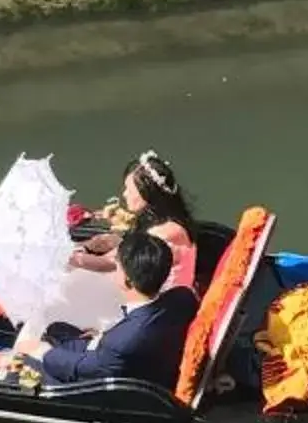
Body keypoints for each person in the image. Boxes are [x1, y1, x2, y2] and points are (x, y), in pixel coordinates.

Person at [38, 226, 198, 388]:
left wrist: (41, 353)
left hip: (112, 385)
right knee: (56, 329)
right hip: (128, 355)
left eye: (118, 266)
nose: (115, 269)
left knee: (27, 358)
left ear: (127, 280)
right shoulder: (183, 297)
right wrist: (103, 336)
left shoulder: (121, 343)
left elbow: (82, 369)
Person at [70, 151, 200, 292]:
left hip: (165, 302)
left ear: (147, 193)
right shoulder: (167, 219)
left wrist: (66, 255)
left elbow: (108, 263)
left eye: (129, 190)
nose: (124, 194)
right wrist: (102, 244)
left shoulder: (165, 232)